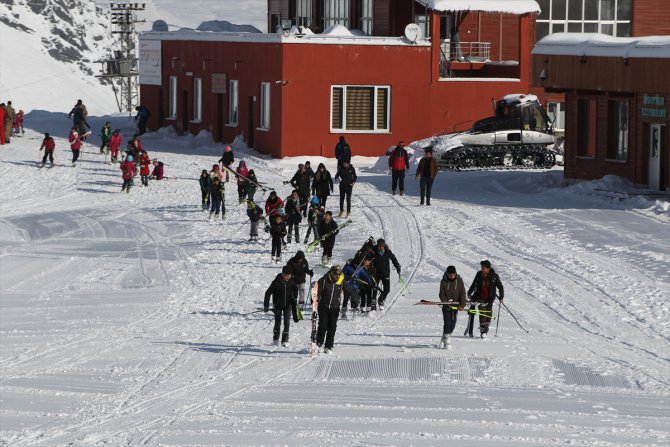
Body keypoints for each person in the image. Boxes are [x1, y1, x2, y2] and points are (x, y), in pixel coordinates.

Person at [312, 265, 355, 354]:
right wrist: (314, 299)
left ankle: (328, 346)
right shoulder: (324, 280)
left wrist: (354, 297)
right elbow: (317, 291)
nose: (337, 276)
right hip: (323, 306)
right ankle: (319, 343)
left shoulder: (341, 281)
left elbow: (349, 289)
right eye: (335, 274)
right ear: (331, 273)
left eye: (339, 274)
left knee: (332, 327)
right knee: (323, 326)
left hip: (335, 308)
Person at [466, 260, 504, 339]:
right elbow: (474, 284)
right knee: (482, 312)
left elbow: (500, 287)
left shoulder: (494, 276)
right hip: (480, 297)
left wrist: (501, 297)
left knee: (488, 313)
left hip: (490, 298)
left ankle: (486, 328)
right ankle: (483, 330)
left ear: (488, 268)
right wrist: (469, 293)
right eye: (481, 267)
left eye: (483, 268)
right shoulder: (479, 274)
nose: (482, 269)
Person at [263, 265, 299, 347]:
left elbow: (295, 289)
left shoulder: (292, 281)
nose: (288, 277)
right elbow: (268, 293)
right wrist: (266, 305)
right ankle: (275, 339)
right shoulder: (276, 282)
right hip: (278, 306)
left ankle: (285, 340)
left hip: (288, 305)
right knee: (277, 322)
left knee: (287, 322)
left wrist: (295, 298)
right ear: (283, 274)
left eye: (290, 275)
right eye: (287, 276)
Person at [438, 265, 466, 348]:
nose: (452, 276)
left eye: (453, 275)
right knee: (447, 322)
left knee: (453, 323)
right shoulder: (443, 281)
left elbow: (462, 293)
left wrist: (462, 305)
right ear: (447, 274)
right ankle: (446, 339)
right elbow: (441, 294)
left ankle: (446, 336)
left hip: (456, 305)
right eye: (450, 275)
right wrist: (446, 303)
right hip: (446, 306)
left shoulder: (459, 280)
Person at [372, 238, 401, 311]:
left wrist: (397, 266)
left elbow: (394, 259)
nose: (380, 247)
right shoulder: (374, 252)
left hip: (385, 273)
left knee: (387, 289)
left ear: (384, 246)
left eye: (382, 246)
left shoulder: (388, 252)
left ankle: (381, 299)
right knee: (375, 288)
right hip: (376, 273)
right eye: (379, 246)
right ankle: (373, 301)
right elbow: (367, 259)